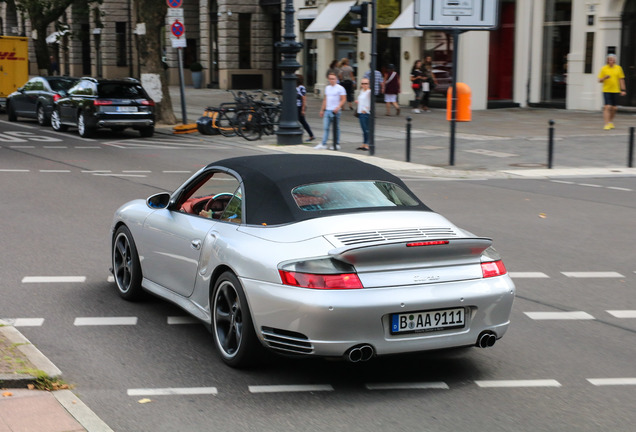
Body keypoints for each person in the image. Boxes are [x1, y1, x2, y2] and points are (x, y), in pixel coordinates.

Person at [315, 72, 346, 150]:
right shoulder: (327, 88)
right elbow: (325, 99)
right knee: (326, 127)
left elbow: (343, 99)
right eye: (330, 79)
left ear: (336, 79)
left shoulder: (340, 88)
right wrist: (322, 110)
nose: (331, 80)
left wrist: (338, 107)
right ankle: (323, 143)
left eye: (333, 79)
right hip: (327, 110)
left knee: (336, 128)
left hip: (335, 111)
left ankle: (336, 143)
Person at [598, 53, 626, 130]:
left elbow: (621, 79)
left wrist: (623, 90)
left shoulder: (618, 68)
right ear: (607, 60)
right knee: (607, 107)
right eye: (610, 60)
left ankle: (610, 121)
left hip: (616, 90)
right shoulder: (604, 68)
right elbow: (599, 80)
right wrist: (604, 78)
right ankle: (606, 124)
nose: (611, 61)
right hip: (606, 90)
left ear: (615, 61)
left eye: (613, 60)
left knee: (614, 108)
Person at [296, 74, 315, 142]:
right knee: (302, 121)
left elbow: (304, 98)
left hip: (299, 106)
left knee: (301, 121)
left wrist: (303, 109)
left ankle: (310, 135)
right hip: (296, 106)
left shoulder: (301, 87)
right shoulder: (296, 87)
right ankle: (311, 135)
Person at [355, 78, 372, 151]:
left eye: (366, 83)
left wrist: (365, 110)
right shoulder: (362, 91)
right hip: (360, 112)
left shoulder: (369, 92)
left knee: (366, 129)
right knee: (364, 129)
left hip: (365, 113)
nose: (364, 85)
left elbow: (370, 103)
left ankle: (367, 144)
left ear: (369, 84)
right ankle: (364, 143)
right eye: (363, 83)